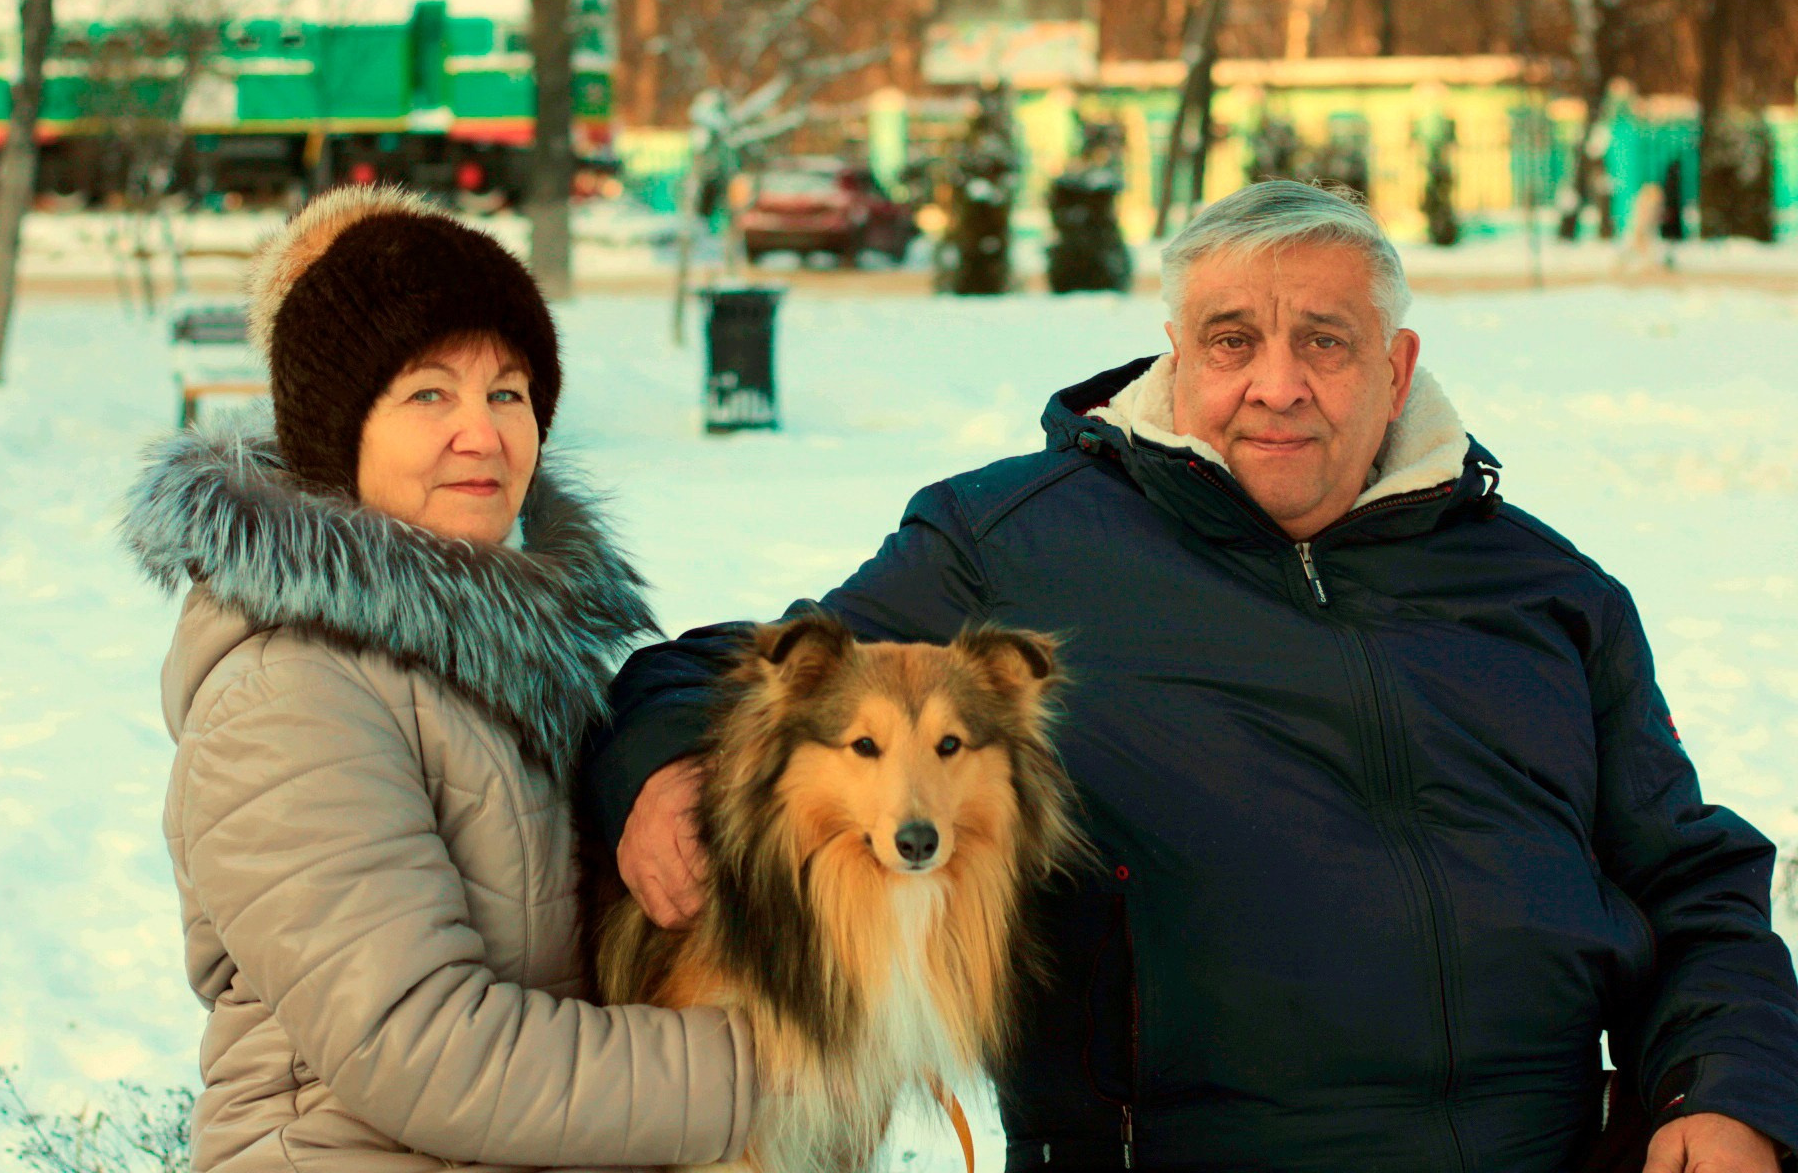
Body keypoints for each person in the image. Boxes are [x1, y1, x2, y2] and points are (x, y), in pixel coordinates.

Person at [584, 181, 1798, 1172]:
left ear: (1396, 364)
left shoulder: (1548, 591)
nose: (1277, 382)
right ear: (1177, 356)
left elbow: (1693, 881)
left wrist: (1729, 1088)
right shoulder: (1015, 543)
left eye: (1325, 340)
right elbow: (738, 674)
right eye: (1232, 341)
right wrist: (660, 765)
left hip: (1540, 1144)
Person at [123, 186, 756, 1172]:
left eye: (508, 393)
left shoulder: (519, 649)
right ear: (339, 432)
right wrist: (775, 1072)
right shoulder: (289, 696)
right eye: (429, 394)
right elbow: (425, 1050)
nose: (483, 433)